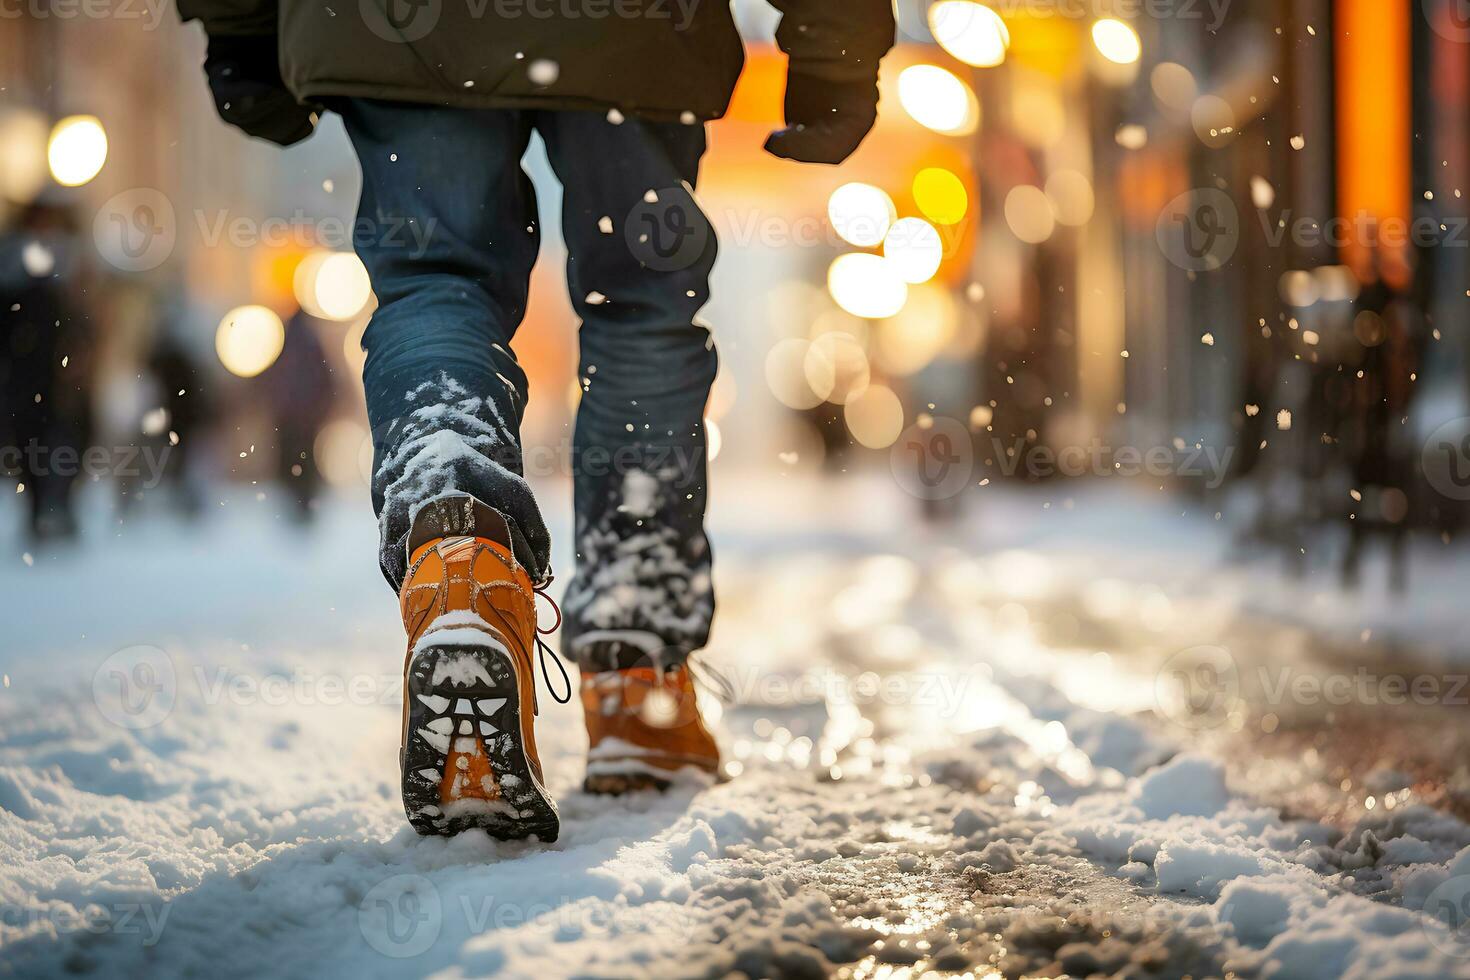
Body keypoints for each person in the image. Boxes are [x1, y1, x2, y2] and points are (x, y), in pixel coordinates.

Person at [177, 0, 895, 839]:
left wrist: (239, 25)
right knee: (640, 307)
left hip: (404, 31)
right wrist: (835, 40)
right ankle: (639, 679)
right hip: (632, 31)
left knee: (435, 281)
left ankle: (462, 568)